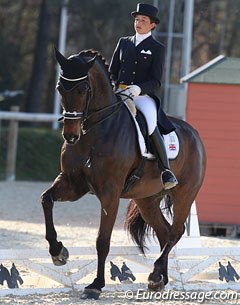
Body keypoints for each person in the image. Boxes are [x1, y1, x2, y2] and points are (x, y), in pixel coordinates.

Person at [109, 3, 178, 190]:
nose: (138, 23)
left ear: (152, 25)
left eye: (143, 20)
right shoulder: (124, 42)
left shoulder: (157, 48)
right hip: (120, 93)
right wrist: (117, 86)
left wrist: (138, 89)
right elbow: (112, 71)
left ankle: (166, 170)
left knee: (149, 124)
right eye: (137, 19)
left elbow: (156, 81)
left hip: (142, 96)